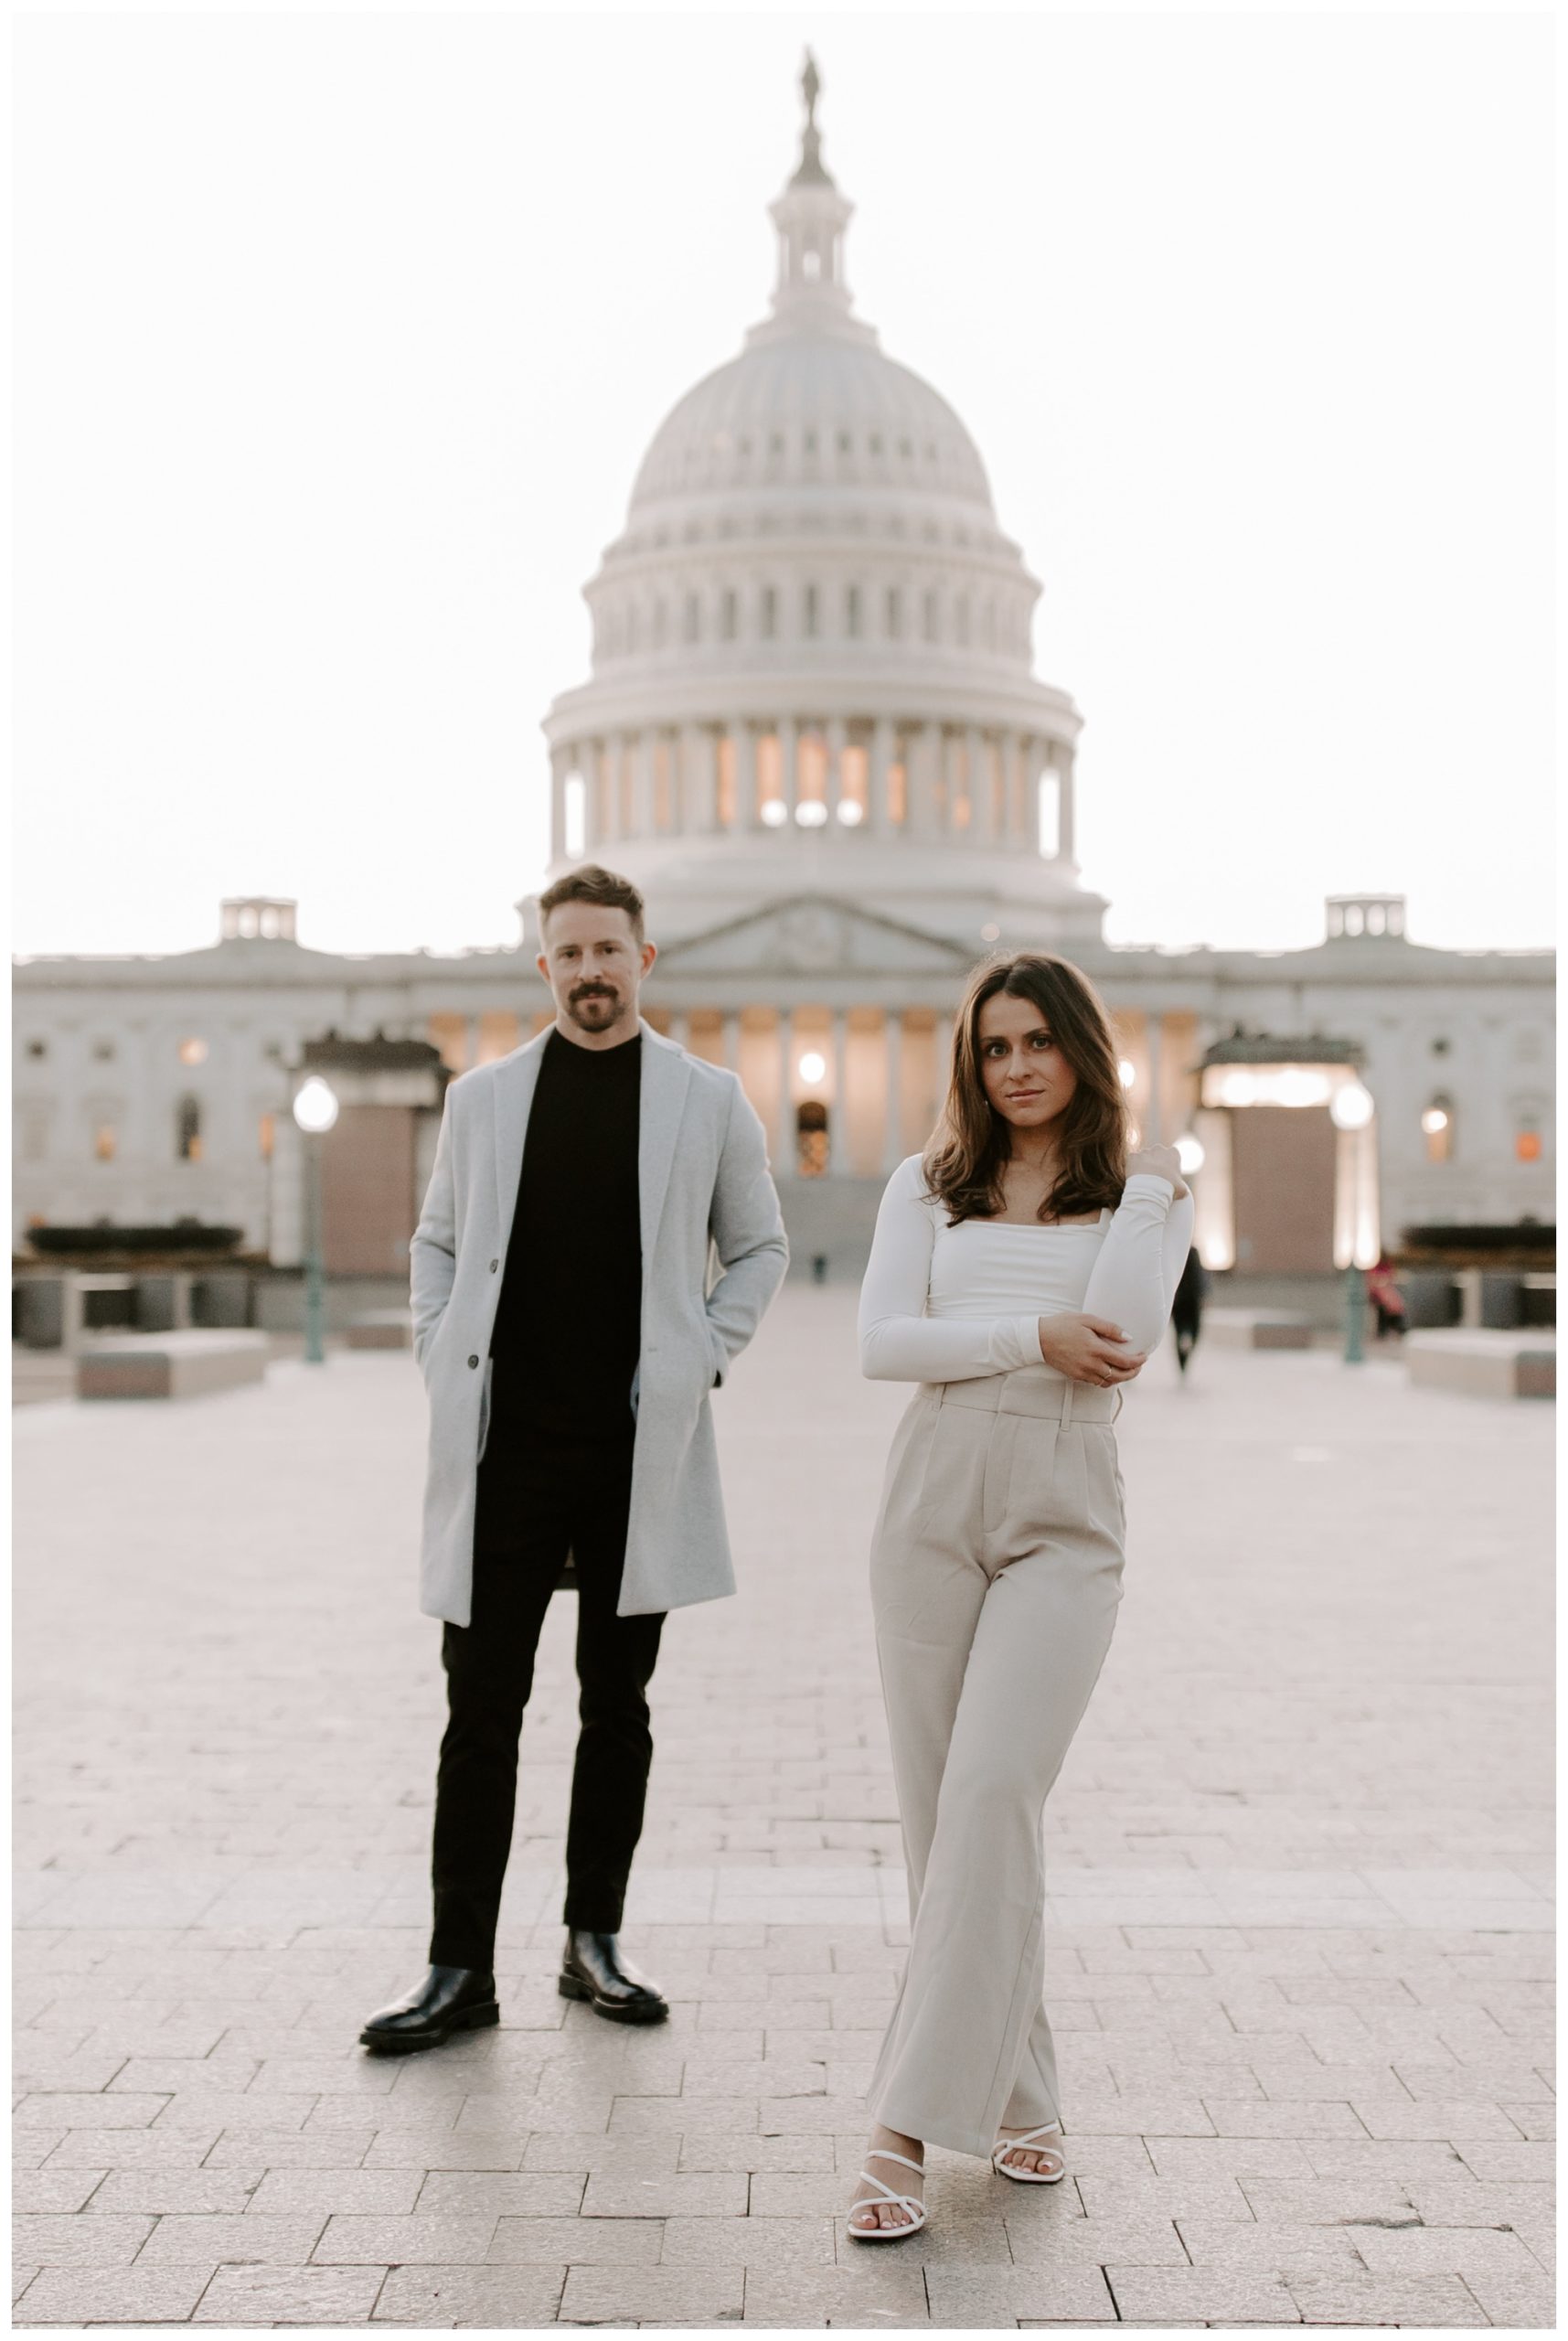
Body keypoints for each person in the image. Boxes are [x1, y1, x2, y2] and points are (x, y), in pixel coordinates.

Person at [360, 864, 787, 2054]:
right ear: (540, 965)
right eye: (569, 954)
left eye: (609, 952)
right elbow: (436, 1241)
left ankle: (590, 1938)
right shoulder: (482, 1099)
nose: (590, 973)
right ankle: (456, 1968)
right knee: (478, 1713)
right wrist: (437, 1351)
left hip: (629, 1454)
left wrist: (703, 1355)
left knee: (618, 1707)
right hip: (504, 1455)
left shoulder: (706, 1100)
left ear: (643, 962)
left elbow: (758, 1249)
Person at [845, 952, 1192, 2239]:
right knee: (948, 1828)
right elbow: (882, 1345)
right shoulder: (921, 1188)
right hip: (930, 1497)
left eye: (1039, 1040)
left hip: (1061, 1509)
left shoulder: (1145, 1194)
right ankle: (1023, 2096)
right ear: (970, 1064)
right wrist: (1017, 1336)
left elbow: (1111, 1342)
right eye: (993, 1046)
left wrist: (1140, 1200)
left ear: (1082, 1052)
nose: (1016, 1066)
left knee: (994, 1789)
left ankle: (898, 2123)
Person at [1171, 1244, 1208, 1375]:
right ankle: (1184, 1360)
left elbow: (1200, 1277)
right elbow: (1200, 1277)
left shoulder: (1184, 1252)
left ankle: (1183, 1360)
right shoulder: (1184, 1252)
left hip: (1183, 1299)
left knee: (1184, 1331)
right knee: (1190, 1330)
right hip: (1187, 1300)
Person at [1367, 1252, 1407, 1340]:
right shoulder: (1374, 1268)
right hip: (1378, 1294)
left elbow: (1391, 1277)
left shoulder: (1386, 1266)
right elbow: (1373, 1280)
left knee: (1394, 1305)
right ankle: (1386, 1329)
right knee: (1384, 1307)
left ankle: (1396, 1326)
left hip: (1386, 1293)